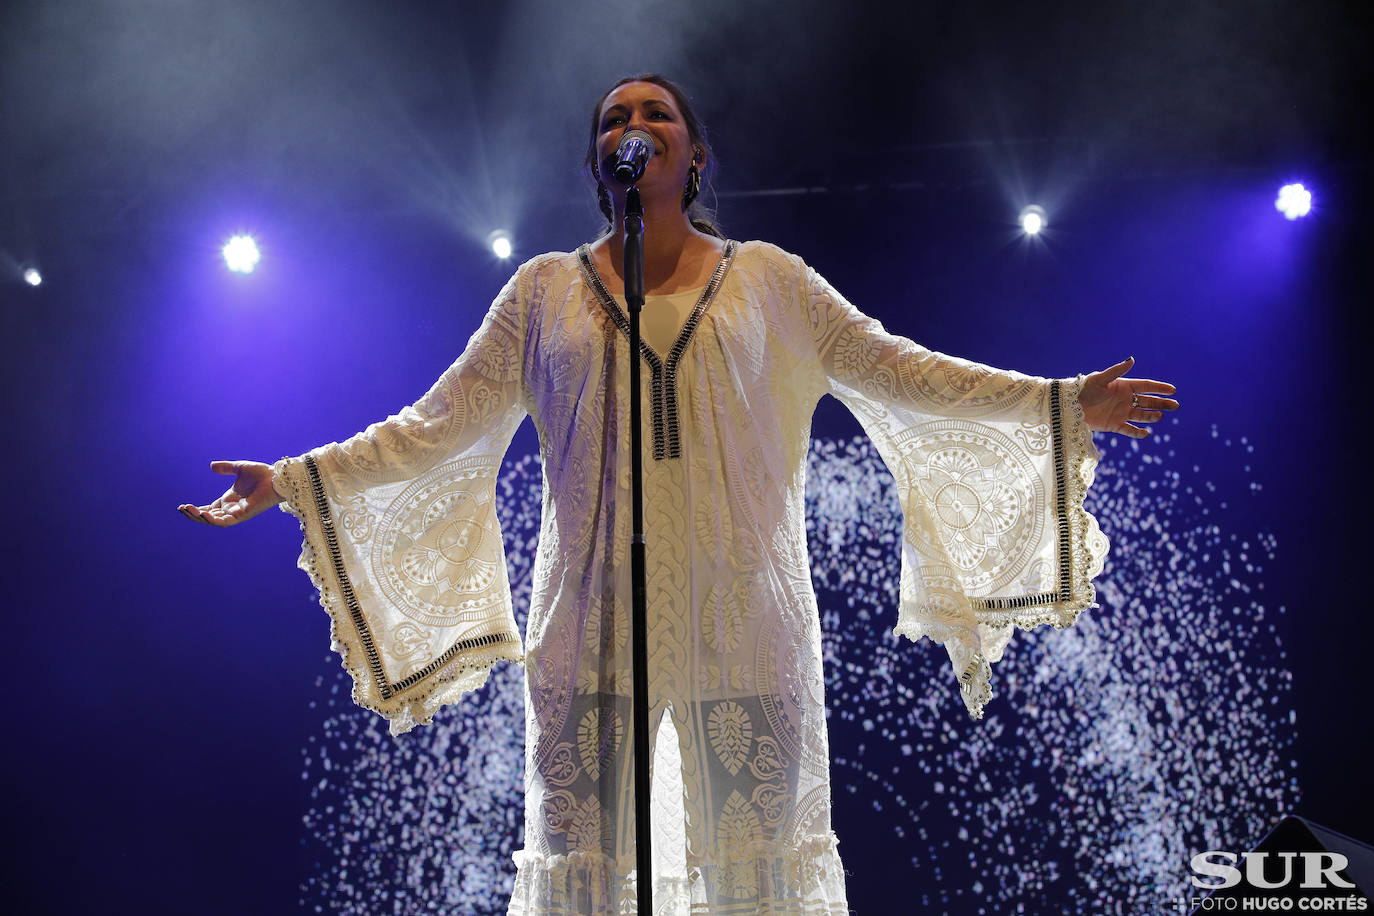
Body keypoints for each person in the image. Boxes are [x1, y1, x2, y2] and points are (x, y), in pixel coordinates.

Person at [179, 74, 1178, 915]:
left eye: (654, 114)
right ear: (598, 165)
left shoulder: (772, 281)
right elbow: (435, 425)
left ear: (694, 158)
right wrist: (297, 479)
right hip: (587, 623)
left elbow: (898, 370)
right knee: (586, 882)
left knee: (756, 879)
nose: (631, 128)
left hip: (748, 623)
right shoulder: (540, 294)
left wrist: (1055, 401)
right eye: (613, 120)